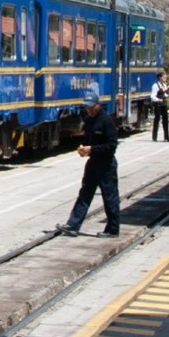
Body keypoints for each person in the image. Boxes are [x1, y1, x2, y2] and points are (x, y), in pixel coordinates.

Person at [56, 87, 120, 237]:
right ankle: (73, 225)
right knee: (85, 193)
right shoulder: (89, 121)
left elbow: (112, 145)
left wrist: (92, 149)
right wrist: (84, 149)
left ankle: (112, 229)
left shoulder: (107, 121)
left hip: (106, 164)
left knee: (109, 196)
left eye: (91, 107)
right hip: (93, 163)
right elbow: (87, 140)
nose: (88, 109)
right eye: (86, 107)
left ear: (98, 105)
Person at [150, 71, 169, 141]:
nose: (165, 78)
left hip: (164, 104)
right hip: (158, 104)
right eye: (164, 77)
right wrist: (159, 100)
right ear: (160, 78)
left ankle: (166, 137)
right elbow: (152, 96)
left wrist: (166, 93)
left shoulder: (164, 85)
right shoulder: (155, 86)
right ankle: (154, 137)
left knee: (165, 120)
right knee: (157, 120)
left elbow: (166, 94)